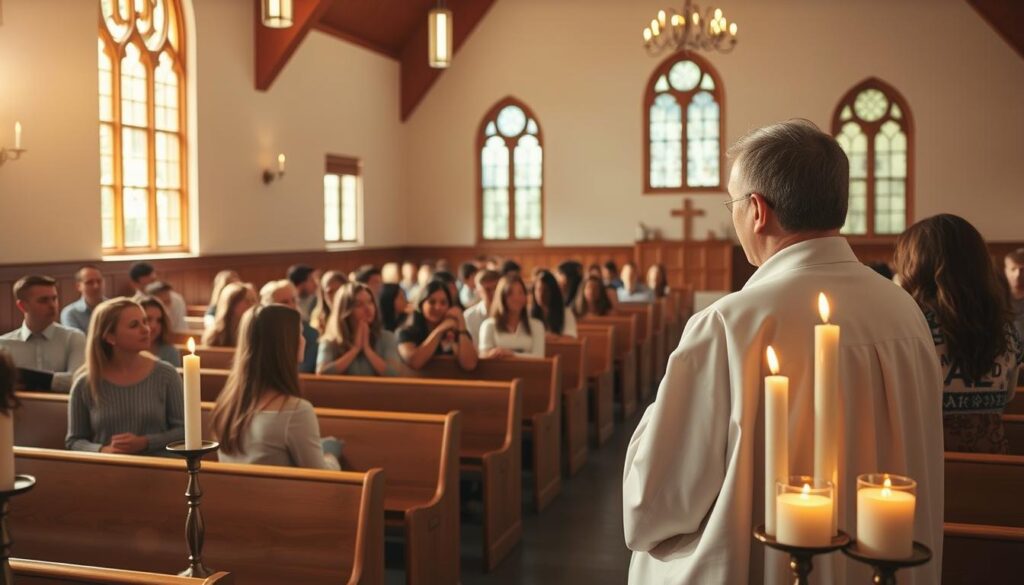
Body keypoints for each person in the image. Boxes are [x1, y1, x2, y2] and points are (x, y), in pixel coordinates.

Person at [623, 120, 943, 585]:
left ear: (756, 210)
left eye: (732, 203)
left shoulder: (730, 325)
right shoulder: (905, 314)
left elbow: (651, 507)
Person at [895, 215, 1022, 454]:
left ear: (914, 266)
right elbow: (1007, 398)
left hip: (922, 467)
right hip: (993, 471)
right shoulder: (1005, 331)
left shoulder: (906, 326)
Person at [211, 304, 341, 470]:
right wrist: (331, 456)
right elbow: (322, 478)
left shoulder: (226, 406)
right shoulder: (296, 411)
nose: (304, 340)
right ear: (285, 343)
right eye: (299, 333)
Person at [66, 298, 185, 455]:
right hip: (107, 470)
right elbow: (74, 441)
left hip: (159, 468)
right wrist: (103, 450)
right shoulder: (85, 383)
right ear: (110, 336)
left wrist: (145, 442)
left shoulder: (166, 375)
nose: (146, 329)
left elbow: (184, 431)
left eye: (144, 322)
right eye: (134, 325)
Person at [0, 275, 86, 392]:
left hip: (63, 409)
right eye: (43, 300)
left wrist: (30, 379)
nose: (52, 305)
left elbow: (79, 381)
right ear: (22, 306)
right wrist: (58, 380)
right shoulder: (4, 345)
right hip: (20, 409)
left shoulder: (74, 338)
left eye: (54, 299)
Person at [317, 283, 400, 376]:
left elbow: (394, 374)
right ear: (345, 311)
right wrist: (355, 350)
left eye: (370, 302)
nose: (368, 308)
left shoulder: (387, 337)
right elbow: (322, 373)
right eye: (359, 305)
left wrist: (367, 350)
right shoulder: (330, 341)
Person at [397, 280, 477, 371]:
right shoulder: (406, 332)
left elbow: (470, 364)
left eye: (443, 303)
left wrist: (462, 325)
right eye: (432, 302)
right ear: (421, 304)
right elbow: (415, 362)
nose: (438, 307)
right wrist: (439, 331)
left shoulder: (456, 330)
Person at [259, 280, 318, 374]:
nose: (293, 306)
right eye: (285, 302)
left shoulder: (311, 334)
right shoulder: (261, 334)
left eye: (294, 300)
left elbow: (302, 370)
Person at [478, 275, 545, 358]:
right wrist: (492, 354)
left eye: (520, 293)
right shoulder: (488, 325)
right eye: (510, 294)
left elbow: (539, 357)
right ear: (502, 297)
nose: (516, 298)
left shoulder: (537, 326)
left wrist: (512, 355)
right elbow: (483, 356)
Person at [129, 262, 187, 332]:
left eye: (153, 281)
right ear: (135, 284)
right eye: (146, 285)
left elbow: (180, 327)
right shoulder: (133, 305)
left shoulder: (175, 299)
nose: (152, 287)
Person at [202, 282, 257, 347]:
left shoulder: (255, 331)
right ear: (232, 305)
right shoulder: (215, 336)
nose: (252, 305)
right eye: (247, 301)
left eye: (253, 300)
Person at [530, 270, 577, 338]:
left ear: (553, 292)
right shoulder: (528, 313)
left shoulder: (566, 313)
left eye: (545, 290)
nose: (541, 294)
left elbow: (571, 337)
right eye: (538, 290)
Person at [137, 296, 182, 367]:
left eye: (159, 320)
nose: (154, 326)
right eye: (148, 319)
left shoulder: (170, 352)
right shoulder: (126, 350)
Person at [61, 265, 106, 333]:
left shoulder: (115, 308)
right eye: (89, 282)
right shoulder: (71, 313)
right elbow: (76, 341)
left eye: (99, 281)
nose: (96, 286)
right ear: (78, 286)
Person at [464, 269, 500, 342]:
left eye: (496, 288)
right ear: (478, 292)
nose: (493, 293)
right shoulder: (469, 317)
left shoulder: (510, 312)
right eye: (487, 290)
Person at [1006, 248, 1024, 339]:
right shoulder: (997, 299)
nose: (1017, 275)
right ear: (1006, 271)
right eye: (1013, 269)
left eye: (1022, 270)